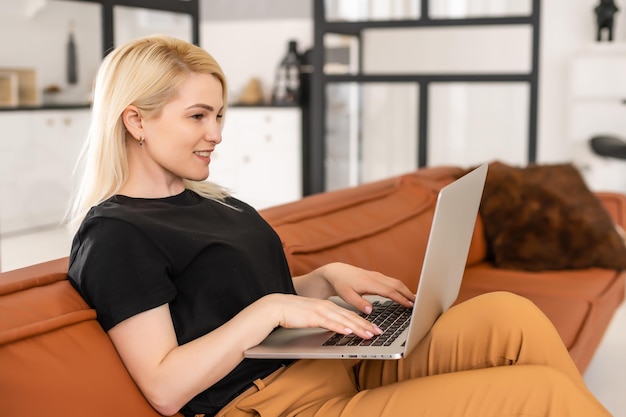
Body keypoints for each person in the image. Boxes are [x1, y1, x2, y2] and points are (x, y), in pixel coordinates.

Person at [66, 35, 611, 417]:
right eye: (198, 116)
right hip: (274, 403)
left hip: (328, 365)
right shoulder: (117, 233)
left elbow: (222, 304)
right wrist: (272, 309)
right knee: (539, 393)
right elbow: (163, 385)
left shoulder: (213, 203)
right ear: (136, 120)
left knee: (509, 315)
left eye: (219, 115)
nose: (217, 133)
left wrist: (318, 282)